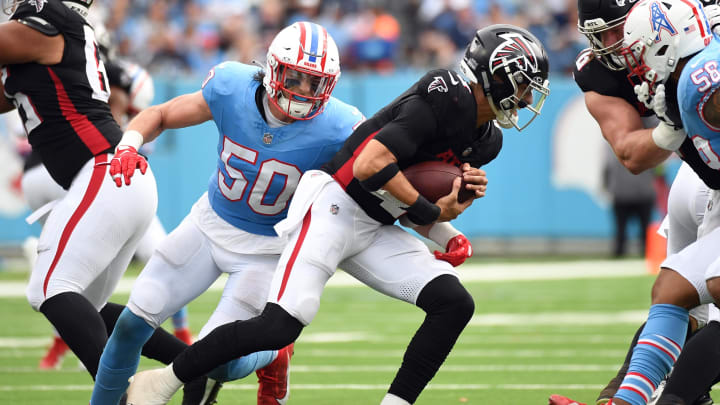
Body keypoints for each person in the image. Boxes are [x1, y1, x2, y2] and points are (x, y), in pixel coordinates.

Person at [123, 23, 551, 405]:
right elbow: (370, 166)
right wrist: (428, 210)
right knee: (279, 327)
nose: (528, 97)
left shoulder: (486, 141)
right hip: (332, 204)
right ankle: (161, 382)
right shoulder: (444, 95)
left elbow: (406, 202)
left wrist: (446, 228)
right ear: (496, 75)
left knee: (454, 303)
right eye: (524, 84)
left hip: (375, 224)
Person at [90, 21, 367, 405]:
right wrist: (129, 144)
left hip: (266, 251)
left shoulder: (340, 125)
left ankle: (272, 353)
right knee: (129, 326)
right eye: (296, 78)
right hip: (207, 225)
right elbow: (164, 113)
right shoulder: (232, 86)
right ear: (273, 69)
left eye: (315, 83)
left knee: (215, 362)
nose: (304, 91)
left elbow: (386, 167)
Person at [0, 0, 189, 387]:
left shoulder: (48, 21)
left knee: (48, 288)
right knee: (87, 306)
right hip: (116, 175)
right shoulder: (47, 35)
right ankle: (193, 366)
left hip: (104, 170)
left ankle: (122, 395)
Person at [548, 0, 720, 404]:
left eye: (619, 30)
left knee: (713, 290)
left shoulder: (700, 66)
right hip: (705, 180)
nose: (614, 46)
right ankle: (625, 398)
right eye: (600, 35)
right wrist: (672, 127)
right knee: (673, 288)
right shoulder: (607, 71)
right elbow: (630, 153)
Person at [602, 145, 656, 257]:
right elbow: (657, 169)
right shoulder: (647, 142)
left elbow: (607, 168)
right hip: (641, 192)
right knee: (642, 230)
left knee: (622, 229)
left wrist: (607, 187)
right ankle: (644, 253)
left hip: (623, 193)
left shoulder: (613, 144)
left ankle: (620, 252)